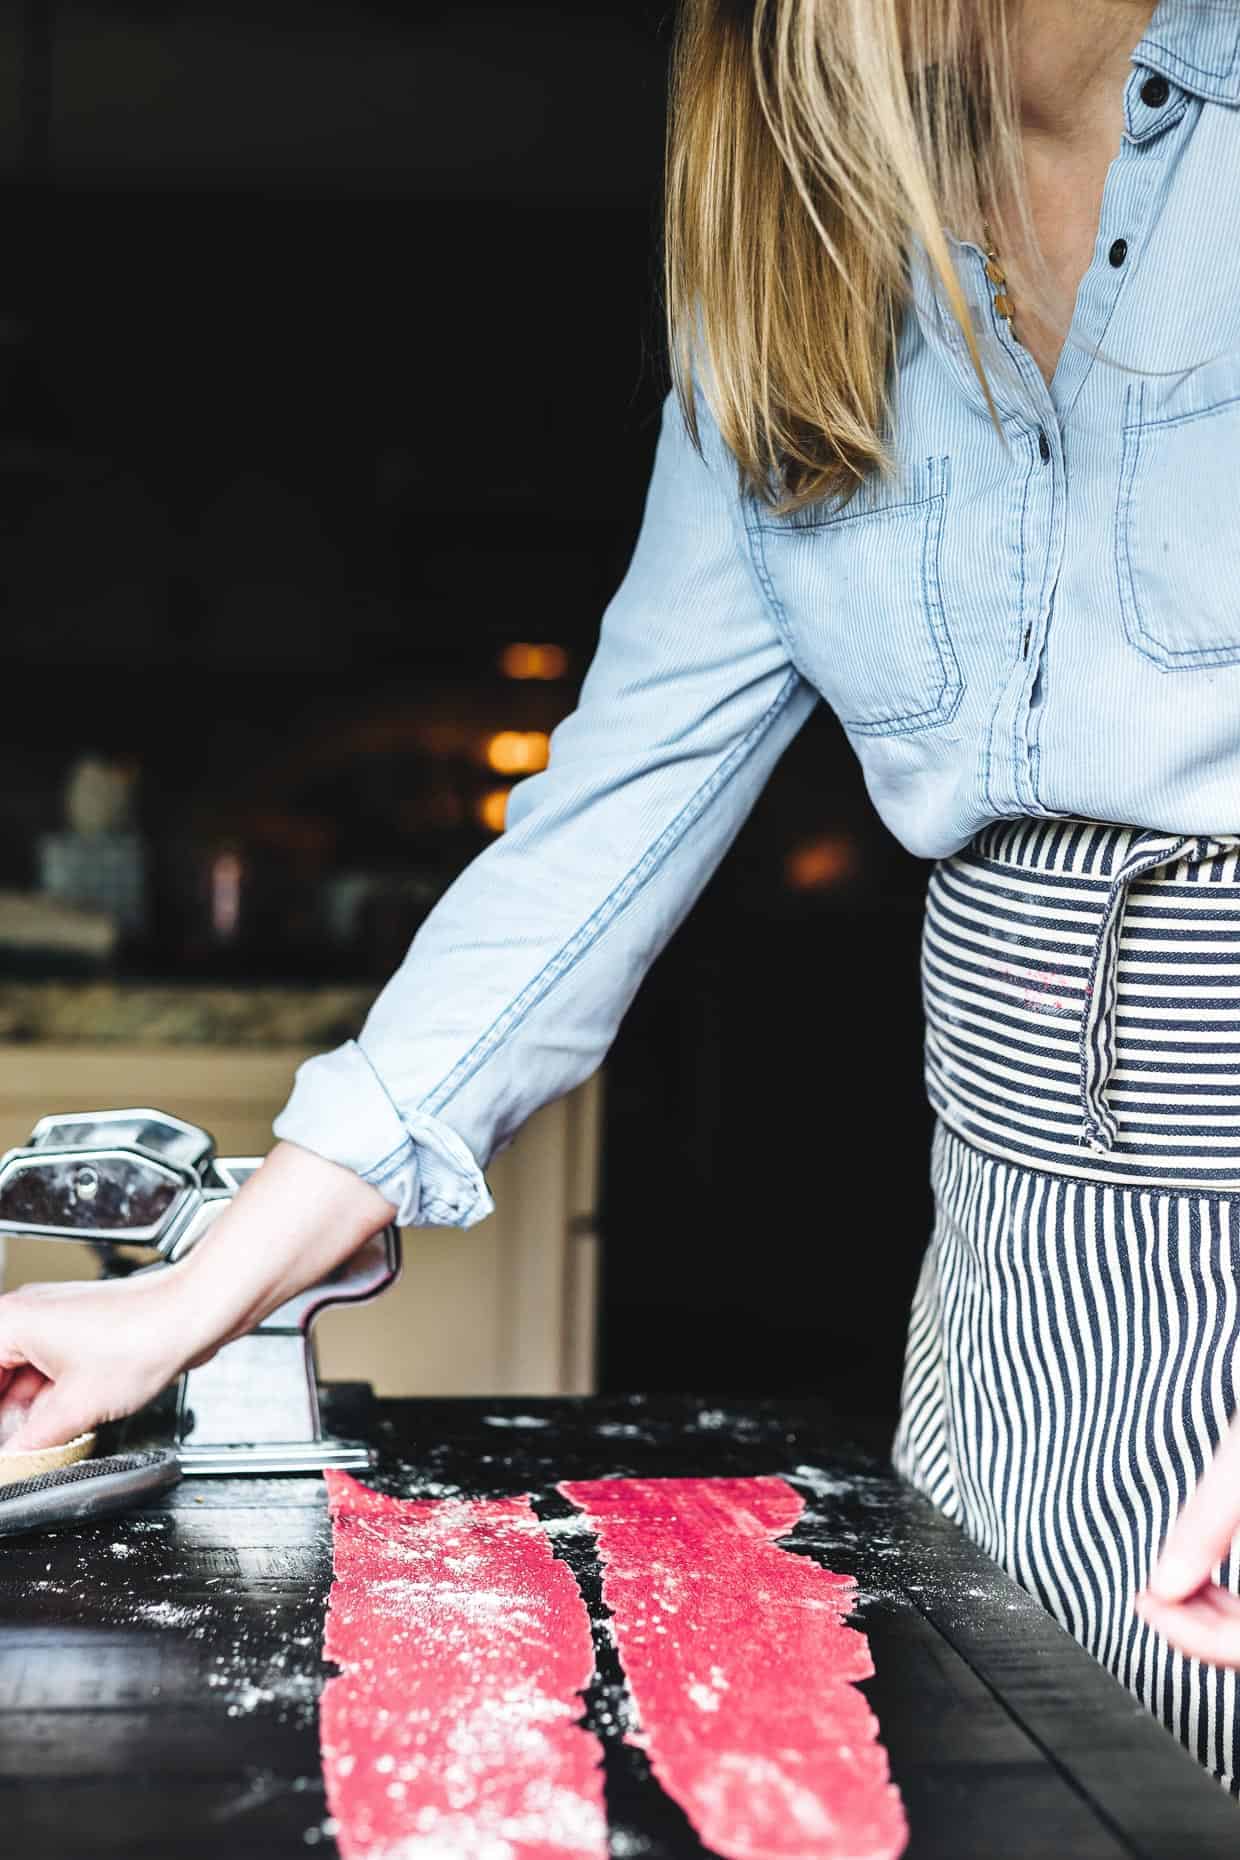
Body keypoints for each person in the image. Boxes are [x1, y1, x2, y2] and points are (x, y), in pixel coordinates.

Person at [2, 0, 1240, 1788]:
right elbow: (603, 820)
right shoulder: (802, 228)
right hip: (1020, 1289)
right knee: (1061, 1797)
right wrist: (188, 1298)